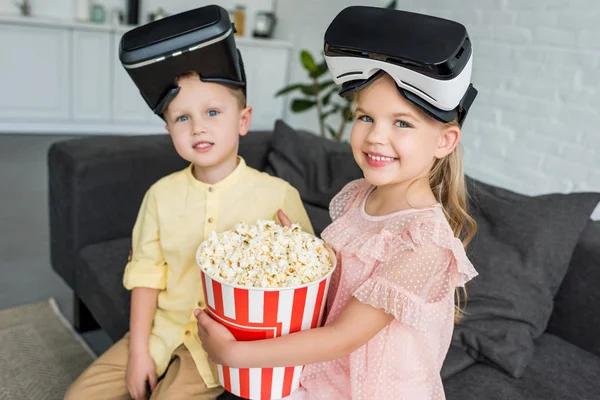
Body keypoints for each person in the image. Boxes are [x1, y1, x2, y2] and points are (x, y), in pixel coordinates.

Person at [196, 6, 479, 400]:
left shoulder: (424, 242)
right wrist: (299, 250)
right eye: (365, 117)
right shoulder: (361, 195)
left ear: (444, 142)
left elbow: (344, 338)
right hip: (325, 372)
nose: (376, 137)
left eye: (401, 123)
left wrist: (235, 353)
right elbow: (343, 277)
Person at [65, 8, 313, 400]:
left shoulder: (278, 196)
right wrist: (139, 354)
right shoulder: (159, 196)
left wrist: (290, 251)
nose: (198, 127)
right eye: (182, 118)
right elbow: (147, 276)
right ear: (169, 131)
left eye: (213, 113)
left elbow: (305, 285)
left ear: (243, 120)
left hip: (220, 347)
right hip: (161, 330)